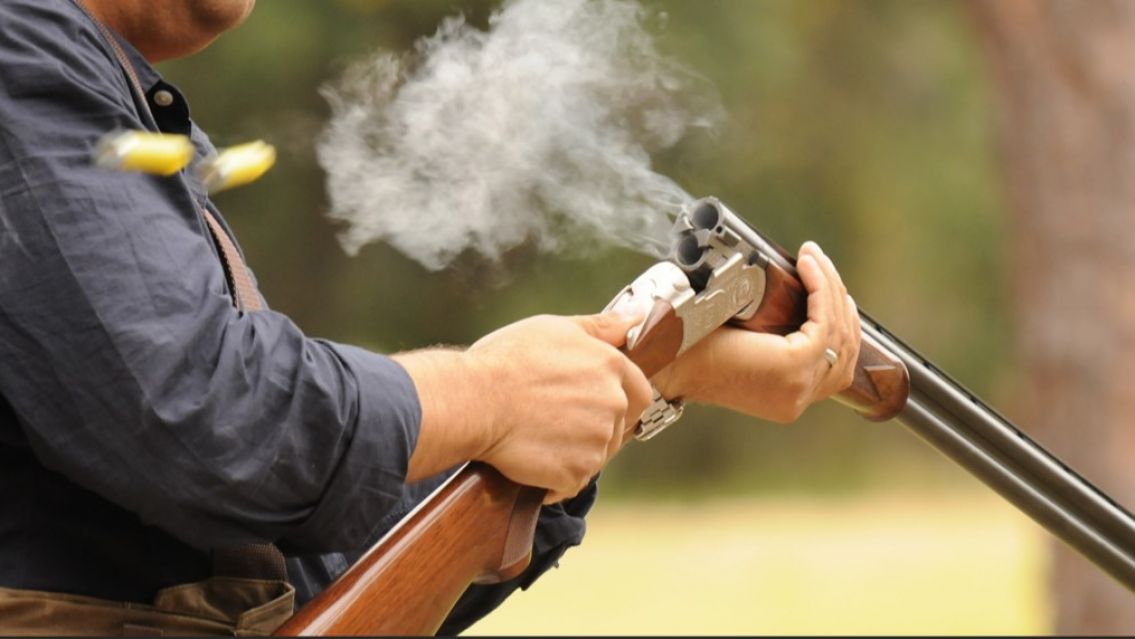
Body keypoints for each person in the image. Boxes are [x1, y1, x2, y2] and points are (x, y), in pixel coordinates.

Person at [0, 0, 862, 635]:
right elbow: (207, 415)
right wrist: (486, 393)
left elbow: (314, 570)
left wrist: (653, 371)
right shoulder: (21, 49)